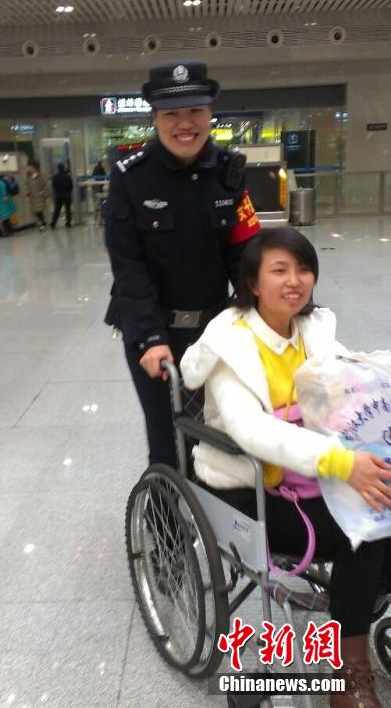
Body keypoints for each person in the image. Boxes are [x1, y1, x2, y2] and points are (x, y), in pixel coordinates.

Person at [180, 226, 391, 708]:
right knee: (370, 533)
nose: (294, 280)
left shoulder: (313, 329)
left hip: (315, 480)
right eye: (279, 270)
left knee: (383, 501)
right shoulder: (230, 344)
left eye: (303, 268)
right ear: (253, 283)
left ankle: (359, 601)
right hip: (252, 491)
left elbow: (349, 390)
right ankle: (350, 672)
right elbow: (250, 430)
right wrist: (342, 461)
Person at [103, 60, 261, 470]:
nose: (184, 123)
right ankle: (165, 525)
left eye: (195, 111)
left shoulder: (229, 171)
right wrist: (151, 337)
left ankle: (215, 520)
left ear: (210, 114)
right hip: (154, 330)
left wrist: (270, 311)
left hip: (214, 330)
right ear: (155, 118)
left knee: (221, 430)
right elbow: (129, 266)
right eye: (171, 113)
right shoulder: (130, 178)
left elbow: (244, 254)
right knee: (167, 439)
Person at [25, 160, 48, 231]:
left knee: (39, 211)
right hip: (32, 198)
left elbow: (45, 185)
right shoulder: (28, 176)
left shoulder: (41, 175)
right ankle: (42, 223)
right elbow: (26, 186)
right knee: (36, 211)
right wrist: (27, 193)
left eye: (31, 167)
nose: (29, 169)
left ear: (35, 168)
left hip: (39, 196)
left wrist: (45, 194)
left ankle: (42, 224)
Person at [50, 162, 73, 229]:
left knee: (57, 210)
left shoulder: (55, 177)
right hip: (67, 195)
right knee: (68, 209)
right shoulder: (67, 177)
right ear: (63, 168)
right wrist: (68, 192)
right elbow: (71, 187)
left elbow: (53, 186)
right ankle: (68, 223)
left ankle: (53, 223)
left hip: (58, 196)